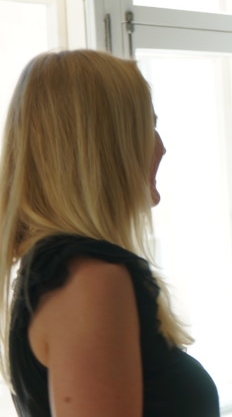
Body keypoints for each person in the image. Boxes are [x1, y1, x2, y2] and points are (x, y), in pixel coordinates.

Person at [0, 49, 220, 416]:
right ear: (106, 146)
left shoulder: (61, 272)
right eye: (146, 126)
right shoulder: (88, 280)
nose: (161, 146)